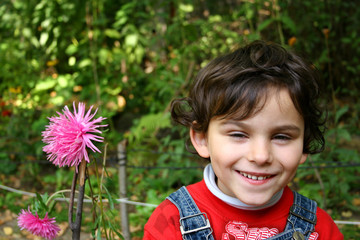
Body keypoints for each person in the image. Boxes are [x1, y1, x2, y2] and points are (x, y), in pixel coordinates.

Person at [143, 40, 343, 240]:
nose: (260, 156)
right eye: (238, 134)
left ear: (304, 145)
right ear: (202, 138)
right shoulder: (170, 223)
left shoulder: (320, 230)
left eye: (281, 137)